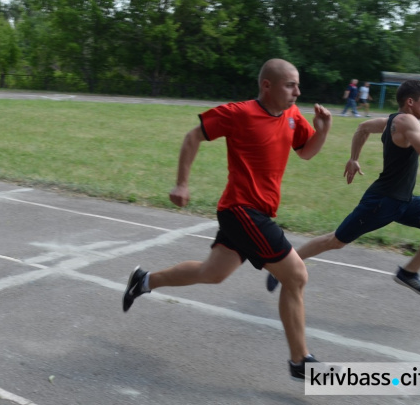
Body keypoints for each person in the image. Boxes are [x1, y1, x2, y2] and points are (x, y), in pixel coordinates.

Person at [122, 58, 332, 380]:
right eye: (291, 85)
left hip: (255, 212)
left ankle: (144, 281)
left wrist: (323, 131)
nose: (297, 92)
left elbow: (305, 152)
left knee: (213, 273)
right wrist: (182, 182)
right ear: (267, 86)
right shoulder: (238, 114)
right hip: (241, 210)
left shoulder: (292, 116)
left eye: (297, 85)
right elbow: (193, 137)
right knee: (296, 276)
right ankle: (299, 360)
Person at [266, 80, 420, 298]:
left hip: (404, 200)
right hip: (381, 202)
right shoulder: (407, 122)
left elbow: (363, 128)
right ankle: (283, 264)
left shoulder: (393, 120)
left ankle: (408, 272)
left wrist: (354, 159)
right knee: (335, 241)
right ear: (411, 102)